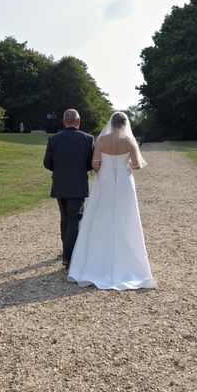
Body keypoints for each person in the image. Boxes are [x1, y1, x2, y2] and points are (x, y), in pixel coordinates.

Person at [67, 111, 157, 290]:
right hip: (124, 182)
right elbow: (137, 165)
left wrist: (106, 166)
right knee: (126, 219)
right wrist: (125, 165)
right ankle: (130, 262)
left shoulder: (101, 140)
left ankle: (95, 260)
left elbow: (94, 164)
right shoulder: (130, 141)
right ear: (124, 125)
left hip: (105, 180)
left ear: (111, 124)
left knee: (100, 218)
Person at [43, 109, 95, 268]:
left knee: (65, 216)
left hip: (59, 183)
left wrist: (60, 171)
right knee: (74, 219)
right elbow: (91, 163)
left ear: (64, 122)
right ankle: (69, 257)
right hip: (78, 183)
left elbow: (47, 163)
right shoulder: (88, 139)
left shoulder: (54, 139)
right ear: (78, 122)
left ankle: (66, 249)